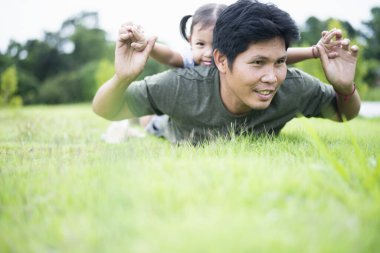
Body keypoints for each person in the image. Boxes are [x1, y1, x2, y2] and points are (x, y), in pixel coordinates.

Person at [93, 0, 361, 145]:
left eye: (280, 61)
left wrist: (344, 87)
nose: (271, 77)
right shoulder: (177, 86)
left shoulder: (294, 86)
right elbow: (105, 109)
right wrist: (122, 78)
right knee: (152, 124)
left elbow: (342, 114)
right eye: (257, 63)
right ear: (221, 61)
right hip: (174, 130)